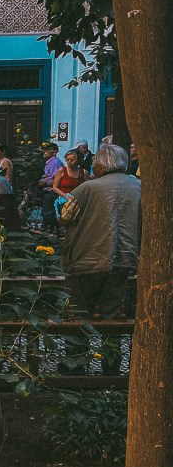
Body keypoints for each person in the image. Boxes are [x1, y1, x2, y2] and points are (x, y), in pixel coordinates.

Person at [60, 144, 140, 371]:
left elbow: (65, 217)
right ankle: (111, 366)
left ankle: (76, 365)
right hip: (123, 260)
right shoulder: (138, 186)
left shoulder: (87, 188)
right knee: (112, 317)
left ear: (100, 164)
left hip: (85, 260)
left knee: (78, 317)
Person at [53, 148, 88, 218]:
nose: (69, 162)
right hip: (64, 201)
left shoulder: (83, 173)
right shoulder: (62, 171)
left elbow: (87, 188)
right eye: (67, 160)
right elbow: (55, 187)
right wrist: (66, 196)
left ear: (78, 161)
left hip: (78, 202)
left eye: (72, 160)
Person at [39, 143, 63, 230]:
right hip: (46, 190)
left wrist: (45, 183)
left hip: (52, 191)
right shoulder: (47, 162)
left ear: (55, 152)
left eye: (48, 150)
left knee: (49, 214)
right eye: (44, 149)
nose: (45, 152)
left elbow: (59, 179)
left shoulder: (55, 163)